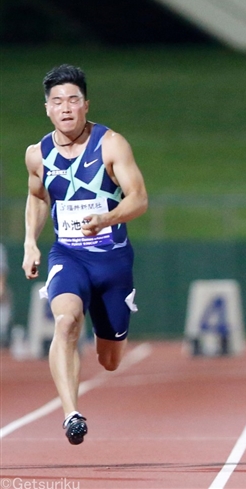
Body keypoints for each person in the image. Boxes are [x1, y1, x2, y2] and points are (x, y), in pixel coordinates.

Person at [22, 64, 148, 444]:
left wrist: (106, 217)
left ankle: (107, 329)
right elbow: (36, 197)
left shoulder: (111, 144)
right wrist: (30, 241)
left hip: (112, 260)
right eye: (57, 101)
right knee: (65, 323)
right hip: (69, 256)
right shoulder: (37, 154)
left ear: (86, 105)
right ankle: (71, 414)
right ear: (47, 108)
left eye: (73, 100)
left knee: (110, 361)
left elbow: (139, 199)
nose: (66, 108)